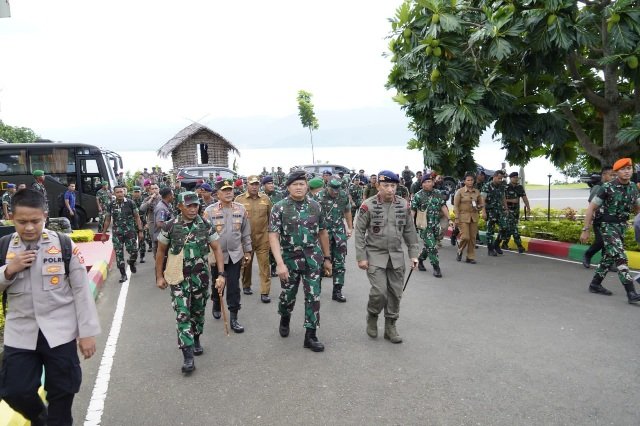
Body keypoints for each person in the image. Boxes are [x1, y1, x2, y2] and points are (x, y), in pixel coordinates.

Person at [0, 189, 100, 425]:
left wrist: (86, 334)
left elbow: (81, 291)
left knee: (63, 391)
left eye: (35, 221)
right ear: (11, 217)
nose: (29, 228)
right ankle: (41, 419)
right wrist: (9, 270)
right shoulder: (4, 246)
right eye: (22, 222)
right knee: (14, 390)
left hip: (60, 333)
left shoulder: (64, 245)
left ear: (45, 216)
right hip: (20, 333)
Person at [156, 192, 226, 373]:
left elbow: (217, 249)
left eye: (195, 205)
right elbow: (161, 252)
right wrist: (159, 276)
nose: (193, 208)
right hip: (179, 279)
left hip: (200, 278)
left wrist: (221, 274)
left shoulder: (205, 225)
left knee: (198, 312)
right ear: (180, 206)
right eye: (189, 205)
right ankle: (187, 356)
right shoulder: (170, 226)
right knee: (182, 314)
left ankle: (196, 338)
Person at [269, 170, 332, 352]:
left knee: (314, 296)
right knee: (288, 296)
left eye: (302, 184)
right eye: (295, 184)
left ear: (307, 186)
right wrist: (279, 263)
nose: (299, 187)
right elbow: (273, 235)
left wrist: (327, 258)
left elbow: (323, 232)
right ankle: (285, 317)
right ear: (288, 187)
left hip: (313, 259)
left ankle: (310, 335)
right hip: (289, 259)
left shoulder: (315, 206)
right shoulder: (279, 207)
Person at [354, 170, 419, 344]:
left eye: (393, 185)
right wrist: (361, 257)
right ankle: (372, 316)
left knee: (396, 293)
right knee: (380, 292)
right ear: (378, 186)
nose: (390, 189)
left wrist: (414, 254)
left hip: (396, 256)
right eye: (386, 186)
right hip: (375, 255)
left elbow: (410, 231)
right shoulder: (368, 205)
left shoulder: (403, 205)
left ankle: (390, 327)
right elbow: (359, 232)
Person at [580, 158, 640, 303]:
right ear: (617, 172)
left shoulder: (633, 187)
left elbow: (637, 207)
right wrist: (585, 229)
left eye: (629, 168)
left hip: (621, 227)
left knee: (608, 258)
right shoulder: (607, 187)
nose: (627, 171)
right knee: (620, 257)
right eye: (623, 169)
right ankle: (631, 293)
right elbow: (591, 208)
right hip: (607, 226)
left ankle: (595, 284)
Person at [204, 179, 252, 333]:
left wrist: (248, 251)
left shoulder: (241, 209)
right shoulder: (209, 211)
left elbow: (246, 232)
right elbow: (204, 235)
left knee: (233, 286)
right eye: (224, 190)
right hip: (216, 256)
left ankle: (234, 317)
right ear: (217, 193)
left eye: (230, 190)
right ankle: (217, 303)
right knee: (217, 284)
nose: (228, 193)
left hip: (235, 255)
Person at [235, 175, 273, 303]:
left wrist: (271, 237)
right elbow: (236, 220)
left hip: (263, 238)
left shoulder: (265, 199)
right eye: (252, 184)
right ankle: (246, 284)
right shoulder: (239, 200)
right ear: (247, 185)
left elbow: (270, 218)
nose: (254, 186)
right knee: (246, 264)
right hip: (246, 239)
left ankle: (265, 292)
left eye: (257, 184)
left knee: (264, 266)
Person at [317, 178, 353, 302]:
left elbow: (347, 211)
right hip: (323, 233)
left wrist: (350, 227)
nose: (335, 193)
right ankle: (316, 289)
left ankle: (337, 291)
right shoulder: (318, 197)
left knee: (340, 263)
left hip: (339, 233)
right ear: (328, 187)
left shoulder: (343, 195)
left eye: (337, 190)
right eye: (333, 190)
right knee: (321, 261)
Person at [101, 185, 144, 283]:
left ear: (124, 192)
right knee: (119, 254)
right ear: (114, 193)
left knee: (134, 251)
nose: (120, 194)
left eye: (121, 192)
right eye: (118, 192)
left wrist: (140, 231)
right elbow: (107, 220)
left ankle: (132, 262)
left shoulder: (130, 203)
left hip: (130, 232)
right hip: (117, 233)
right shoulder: (110, 204)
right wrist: (103, 233)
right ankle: (123, 274)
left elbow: (137, 217)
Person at [411, 173, 449, 277]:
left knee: (429, 246)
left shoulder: (437, 193)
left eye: (430, 181)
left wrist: (449, 218)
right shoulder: (418, 195)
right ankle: (436, 267)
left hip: (435, 225)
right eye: (426, 182)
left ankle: (420, 259)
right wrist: (409, 223)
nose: (428, 183)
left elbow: (443, 206)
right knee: (432, 247)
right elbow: (413, 210)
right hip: (424, 226)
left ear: (433, 182)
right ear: (422, 184)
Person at [583, 166, 615, 268]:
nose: (614, 177)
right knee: (601, 241)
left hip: (611, 220)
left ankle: (606, 263)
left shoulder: (614, 187)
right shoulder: (598, 187)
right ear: (604, 175)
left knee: (609, 241)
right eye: (611, 175)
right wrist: (588, 224)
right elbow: (591, 206)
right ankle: (588, 254)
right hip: (599, 219)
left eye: (615, 175)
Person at [453, 172, 483, 263]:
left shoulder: (477, 192)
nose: (470, 182)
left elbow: (481, 203)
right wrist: (457, 217)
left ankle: (470, 256)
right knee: (465, 237)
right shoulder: (460, 191)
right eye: (468, 180)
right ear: (464, 181)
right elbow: (456, 206)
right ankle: (460, 250)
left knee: (472, 238)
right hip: (463, 217)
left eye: (472, 180)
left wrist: (479, 207)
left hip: (474, 217)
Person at [501, 172, 531, 253]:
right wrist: (511, 200)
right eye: (514, 177)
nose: (516, 178)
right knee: (514, 228)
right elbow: (501, 199)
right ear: (510, 178)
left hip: (515, 211)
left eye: (517, 177)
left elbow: (524, 197)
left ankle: (504, 243)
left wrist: (528, 207)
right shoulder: (505, 187)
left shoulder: (519, 187)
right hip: (507, 211)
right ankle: (519, 246)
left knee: (510, 228)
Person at [481, 170, 508, 257]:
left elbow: (503, 197)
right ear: (494, 177)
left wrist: (506, 208)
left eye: (501, 178)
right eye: (499, 178)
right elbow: (482, 200)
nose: (500, 180)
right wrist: (483, 212)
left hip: (499, 211)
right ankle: (490, 249)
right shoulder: (487, 186)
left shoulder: (501, 186)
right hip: (490, 211)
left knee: (504, 227)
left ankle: (496, 244)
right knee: (490, 231)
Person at [152, 188, 175, 256]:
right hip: (161, 238)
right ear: (169, 196)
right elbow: (160, 224)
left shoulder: (166, 205)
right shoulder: (161, 208)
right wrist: (173, 226)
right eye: (172, 195)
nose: (173, 197)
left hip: (164, 237)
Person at [131, 186, 149, 263]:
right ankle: (134, 257)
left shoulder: (144, 201)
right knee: (132, 241)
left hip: (143, 223)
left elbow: (148, 212)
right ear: (133, 193)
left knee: (142, 240)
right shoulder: (130, 201)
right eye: (135, 192)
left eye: (138, 192)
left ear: (140, 192)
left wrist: (147, 223)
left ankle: (142, 256)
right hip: (131, 224)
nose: (137, 193)